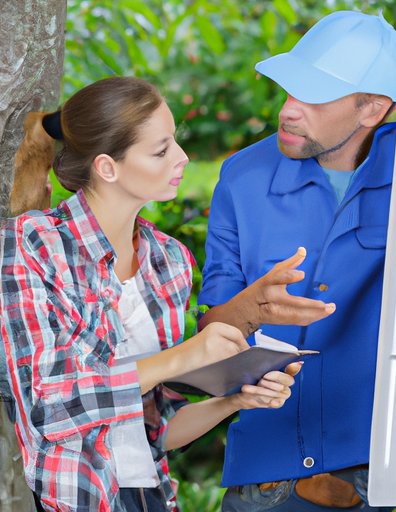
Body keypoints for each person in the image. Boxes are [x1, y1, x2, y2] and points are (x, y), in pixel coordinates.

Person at [0, 76, 319, 512]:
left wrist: (235, 400)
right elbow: (49, 406)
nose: (183, 158)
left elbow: (159, 432)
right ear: (107, 167)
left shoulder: (169, 262)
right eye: (161, 149)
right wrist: (185, 356)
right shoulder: (32, 244)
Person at [198, 10, 396, 512]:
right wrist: (250, 308)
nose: (289, 110)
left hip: (376, 477)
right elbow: (211, 331)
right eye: (290, 91)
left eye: (313, 97)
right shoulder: (241, 178)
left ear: (372, 109)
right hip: (264, 481)